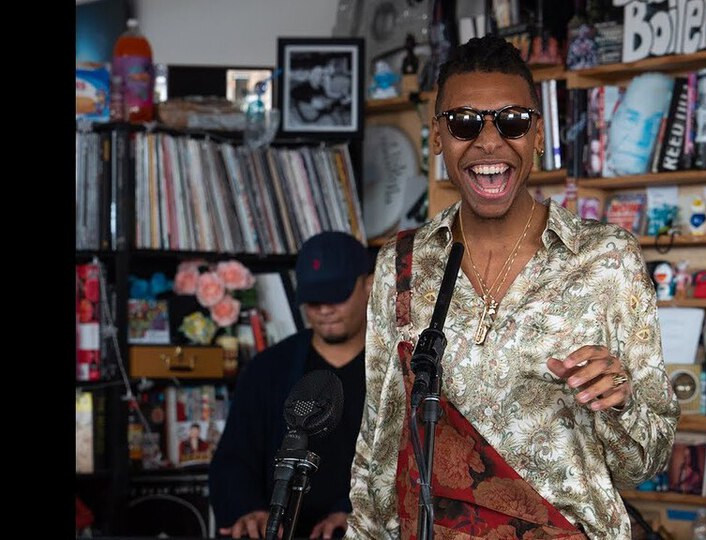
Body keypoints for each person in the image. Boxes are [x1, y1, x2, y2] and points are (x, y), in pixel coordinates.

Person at [346, 35, 679, 539]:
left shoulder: (606, 258)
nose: (489, 142)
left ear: (538, 133)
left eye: (513, 121)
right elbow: (379, 446)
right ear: (437, 136)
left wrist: (620, 404)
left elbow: (647, 461)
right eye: (464, 123)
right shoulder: (404, 262)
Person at [210, 231, 373, 539]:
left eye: (337, 295)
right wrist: (248, 510)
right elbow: (233, 457)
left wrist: (360, 514)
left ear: (369, 286)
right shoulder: (269, 368)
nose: (324, 309)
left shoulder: (396, 370)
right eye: (313, 299)